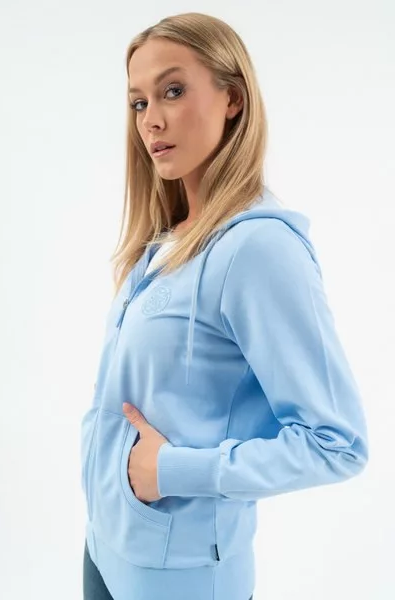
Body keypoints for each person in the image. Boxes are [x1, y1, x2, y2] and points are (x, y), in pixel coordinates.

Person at [80, 12, 369, 600]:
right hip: (105, 550)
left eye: (173, 91)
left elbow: (336, 444)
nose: (151, 119)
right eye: (138, 102)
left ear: (233, 99)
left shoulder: (258, 249)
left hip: (180, 576)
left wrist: (171, 471)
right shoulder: (162, 242)